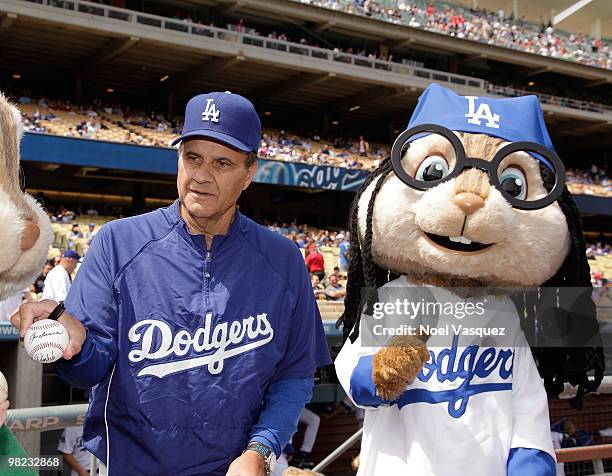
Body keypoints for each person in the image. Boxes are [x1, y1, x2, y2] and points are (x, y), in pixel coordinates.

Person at [12, 91, 331, 476]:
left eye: (222, 163)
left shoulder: (283, 260)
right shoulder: (118, 242)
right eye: (192, 157)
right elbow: (87, 371)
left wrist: (261, 450)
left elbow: (295, 374)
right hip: (133, 466)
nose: (201, 175)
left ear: (250, 173)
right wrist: (74, 346)